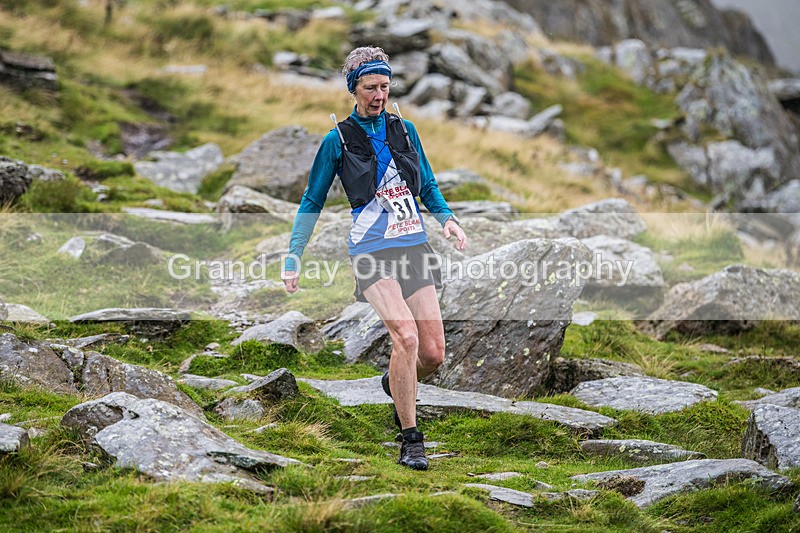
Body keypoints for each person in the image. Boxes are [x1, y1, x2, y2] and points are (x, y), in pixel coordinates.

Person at [281, 46, 467, 471]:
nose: (379, 95)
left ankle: (394, 381)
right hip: (370, 251)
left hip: (413, 246)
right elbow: (311, 200)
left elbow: (429, 187)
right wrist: (294, 255)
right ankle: (411, 440)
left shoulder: (406, 129)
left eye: (384, 86)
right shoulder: (338, 140)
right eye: (370, 88)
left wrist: (448, 220)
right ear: (354, 89)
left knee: (433, 354)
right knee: (406, 338)